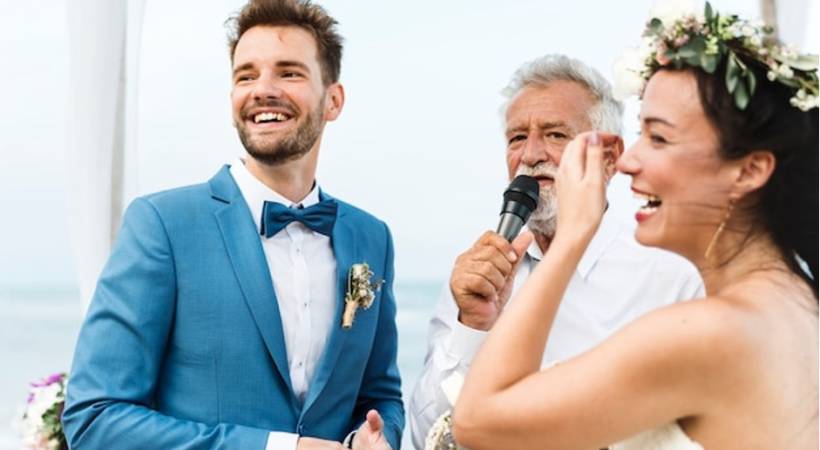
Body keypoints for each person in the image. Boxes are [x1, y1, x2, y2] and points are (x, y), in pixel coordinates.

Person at [453, 4, 818, 450]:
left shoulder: (706, 334)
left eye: (659, 138)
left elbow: (476, 421)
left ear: (749, 170)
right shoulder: (797, 299)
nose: (626, 162)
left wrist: (570, 240)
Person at [62, 1, 403, 449]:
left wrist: (373, 438)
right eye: (246, 75)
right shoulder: (163, 225)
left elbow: (381, 396)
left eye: (289, 72)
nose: (263, 89)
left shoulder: (370, 237)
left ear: (333, 100)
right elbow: (95, 418)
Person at [409, 54, 703, 448]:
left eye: (555, 135)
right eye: (517, 138)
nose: (530, 155)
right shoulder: (479, 275)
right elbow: (428, 435)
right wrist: (471, 327)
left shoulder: (670, 273)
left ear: (610, 160)